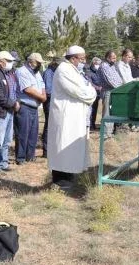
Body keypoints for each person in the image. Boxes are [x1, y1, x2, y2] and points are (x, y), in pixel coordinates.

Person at [47, 46, 97, 190]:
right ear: (73, 58)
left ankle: (69, 176)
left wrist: (90, 91)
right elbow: (80, 91)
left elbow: (87, 88)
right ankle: (60, 181)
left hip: (74, 116)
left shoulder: (73, 70)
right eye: (82, 58)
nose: (84, 61)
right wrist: (91, 92)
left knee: (71, 146)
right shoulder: (64, 70)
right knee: (63, 146)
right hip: (65, 116)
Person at [0, 51, 19, 173]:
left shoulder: (10, 74)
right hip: (0, 112)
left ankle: (4, 163)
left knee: (7, 140)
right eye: (9, 61)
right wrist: (13, 104)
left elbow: (15, 90)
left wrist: (17, 102)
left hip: (10, 111)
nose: (11, 63)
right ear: (1, 62)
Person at [14, 53, 46, 164]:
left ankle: (30, 155)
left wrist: (43, 96)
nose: (39, 65)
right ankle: (21, 157)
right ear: (30, 62)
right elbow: (27, 89)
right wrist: (42, 97)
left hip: (34, 106)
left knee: (33, 133)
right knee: (23, 132)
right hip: (24, 105)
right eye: (38, 63)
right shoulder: (22, 71)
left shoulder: (36, 73)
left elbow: (42, 86)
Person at [98, 50, 124, 138]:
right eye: (113, 58)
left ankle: (110, 132)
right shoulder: (104, 66)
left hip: (114, 91)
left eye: (115, 58)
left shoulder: (112, 66)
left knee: (112, 112)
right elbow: (111, 81)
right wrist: (121, 87)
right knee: (107, 113)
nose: (115, 60)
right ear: (107, 58)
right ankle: (105, 134)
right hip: (108, 92)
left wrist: (121, 85)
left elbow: (118, 78)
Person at [41, 58, 59, 158]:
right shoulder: (49, 73)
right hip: (50, 102)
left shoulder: (55, 72)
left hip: (54, 102)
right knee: (49, 125)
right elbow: (48, 91)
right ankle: (46, 150)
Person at [85, 58, 103, 130]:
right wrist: (98, 88)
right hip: (92, 93)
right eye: (96, 64)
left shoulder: (100, 72)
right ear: (93, 63)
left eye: (99, 64)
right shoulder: (88, 71)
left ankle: (93, 124)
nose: (97, 65)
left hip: (99, 93)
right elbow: (89, 82)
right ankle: (90, 125)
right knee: (91, 109)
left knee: (95, 109)